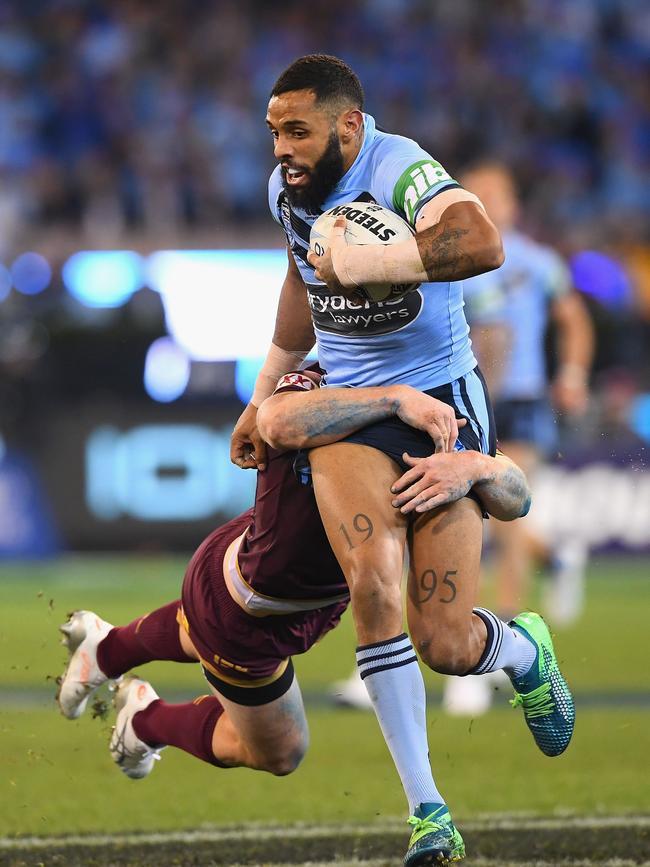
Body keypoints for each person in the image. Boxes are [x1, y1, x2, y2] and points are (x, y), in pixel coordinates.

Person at [230, 54, 575, 866]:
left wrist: (379, 261)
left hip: (445, 405)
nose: (282, 146)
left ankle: (523, 649)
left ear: (349, 126)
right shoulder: (289, 190)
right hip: (355, 409)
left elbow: (481, 241)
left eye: (298, 130)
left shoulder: (402, 167)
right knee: (372, 585)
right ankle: (430, 815)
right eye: (275, 129)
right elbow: (298, 279)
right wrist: (263, 392)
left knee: (446, 641)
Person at [57, 371, 530, 810]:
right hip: (249, 609)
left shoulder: (435, 399)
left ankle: (108, 650)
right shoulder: (315, 389)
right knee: (281, 751)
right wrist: (394, 399)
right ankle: (145, 722)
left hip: (302, 593)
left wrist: (477, 468)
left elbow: (518, 496)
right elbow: (276, 419)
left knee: (205, 632)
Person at [440, 161, 594, 717]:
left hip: (520, 398)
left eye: (495, 194)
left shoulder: (538, 261)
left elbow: (573, 319)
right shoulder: (447, 258)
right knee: (470, 517)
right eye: (475, 193)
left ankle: (497, 640)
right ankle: (556, 559)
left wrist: (572, 375)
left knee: (499, 516)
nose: (487, 202)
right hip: (464, 396)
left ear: (513, 204)